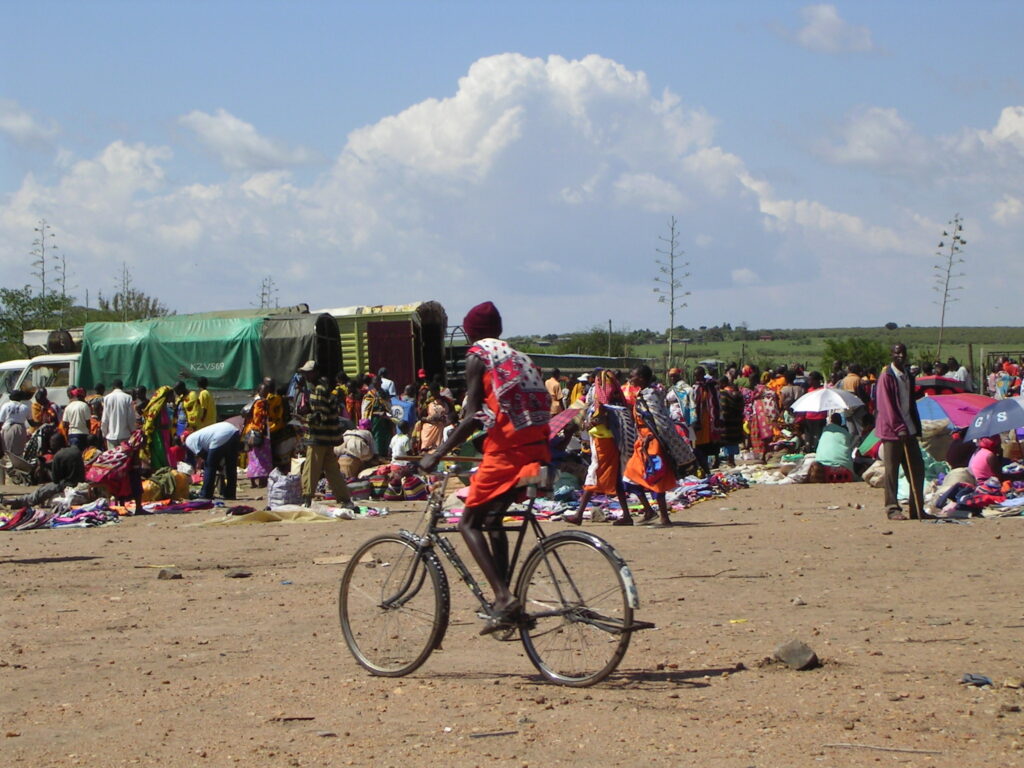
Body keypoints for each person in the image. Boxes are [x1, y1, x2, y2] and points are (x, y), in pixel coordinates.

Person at [419, 301, 550, 634]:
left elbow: (473, 413)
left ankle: (504, 598)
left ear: (470, 332)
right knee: (492, 519)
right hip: (539, 451)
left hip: (509, 453)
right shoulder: (517, 356)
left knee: (467, 523)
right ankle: (505, 603)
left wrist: (438, 453)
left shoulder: (479, 356)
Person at [624, 365, 695, 526]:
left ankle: (664, 517)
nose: (630, 378)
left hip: (652, 442)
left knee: (656, 478)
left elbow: (659, 420)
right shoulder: (643, 394)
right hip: (642, 441)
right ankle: (649, 511)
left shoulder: (650, 395)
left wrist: (650, 436)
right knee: (629, 476)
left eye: (632, 375)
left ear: (641, 378)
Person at [563, 369, 634, 526]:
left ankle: (579, 514)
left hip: (604, 440)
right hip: (608, 439)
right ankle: (628, 515)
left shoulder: (604, 397)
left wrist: (588, 423)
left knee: (594, 472)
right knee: (614, 477)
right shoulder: (616, 395)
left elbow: (601, 416)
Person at [875, 343, 925, 521]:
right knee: (891, 472)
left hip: (909, 429)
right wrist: (899, 427)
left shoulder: (907, 376)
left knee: (918, 469)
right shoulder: (886, 377)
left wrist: (913, 427)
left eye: (903, 353)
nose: (901, 356)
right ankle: (892, 508)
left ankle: (917, 508)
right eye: (897, 353)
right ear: (891, 355)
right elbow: (886, 406)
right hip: (892, 431)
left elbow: (909, 403)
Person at [302, 375, 354, 508]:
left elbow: (320, 416)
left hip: (318, 438)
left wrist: (305, 418)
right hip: (328, 439)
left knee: (311, 468)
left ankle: (307, 498)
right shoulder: (326, 392)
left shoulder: (318, 391)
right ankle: (344, 499)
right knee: (333, 471)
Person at [185, 420, 241, 501]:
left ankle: (206, 494)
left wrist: (217, 465)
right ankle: (230, 494)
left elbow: (204, 455)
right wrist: (219, 465)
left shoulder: (189, 441)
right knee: (231, 466)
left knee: (209, 466)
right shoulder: (199, 436)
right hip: (234, 431)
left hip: (221, 435)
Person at [243, 378, 276, 488]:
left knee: (253, 457)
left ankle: (253, 481)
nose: (266, 392)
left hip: (250, 431)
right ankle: (262, 481)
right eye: (265, 390)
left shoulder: (253, 401)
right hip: (260, 432)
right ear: (260, 391)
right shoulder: (261, 402)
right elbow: (259, 418)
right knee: (263, 458)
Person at [100, 379, 138, 450]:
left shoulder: (107, 398)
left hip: (111, 436)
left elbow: (105, 419)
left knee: (112, 459)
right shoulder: (128, 398)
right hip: (125, 435)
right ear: (122, 387)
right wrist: (133, 431)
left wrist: (104, 434)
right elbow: (131, 418)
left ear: (113, 387)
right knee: (124, 459)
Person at [717, 377, 745, 468]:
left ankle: (729, 460)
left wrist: (721, 419)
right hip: (736, 420)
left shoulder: (723, 394)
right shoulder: (737, 393)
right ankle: (731, 459)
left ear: (723, 383)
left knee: (727, 441)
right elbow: (742, 407)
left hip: (727, 422)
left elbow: (723, 408)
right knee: (733, 441)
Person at [0, 390, 32, 461]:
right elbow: (32, 422)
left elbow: (0, 422)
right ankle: (17, 469)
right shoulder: (25, 407)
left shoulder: (5, 406)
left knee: (7, 453)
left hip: (7, 429)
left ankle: (8, 469)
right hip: (20, 430)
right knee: (18, 454)